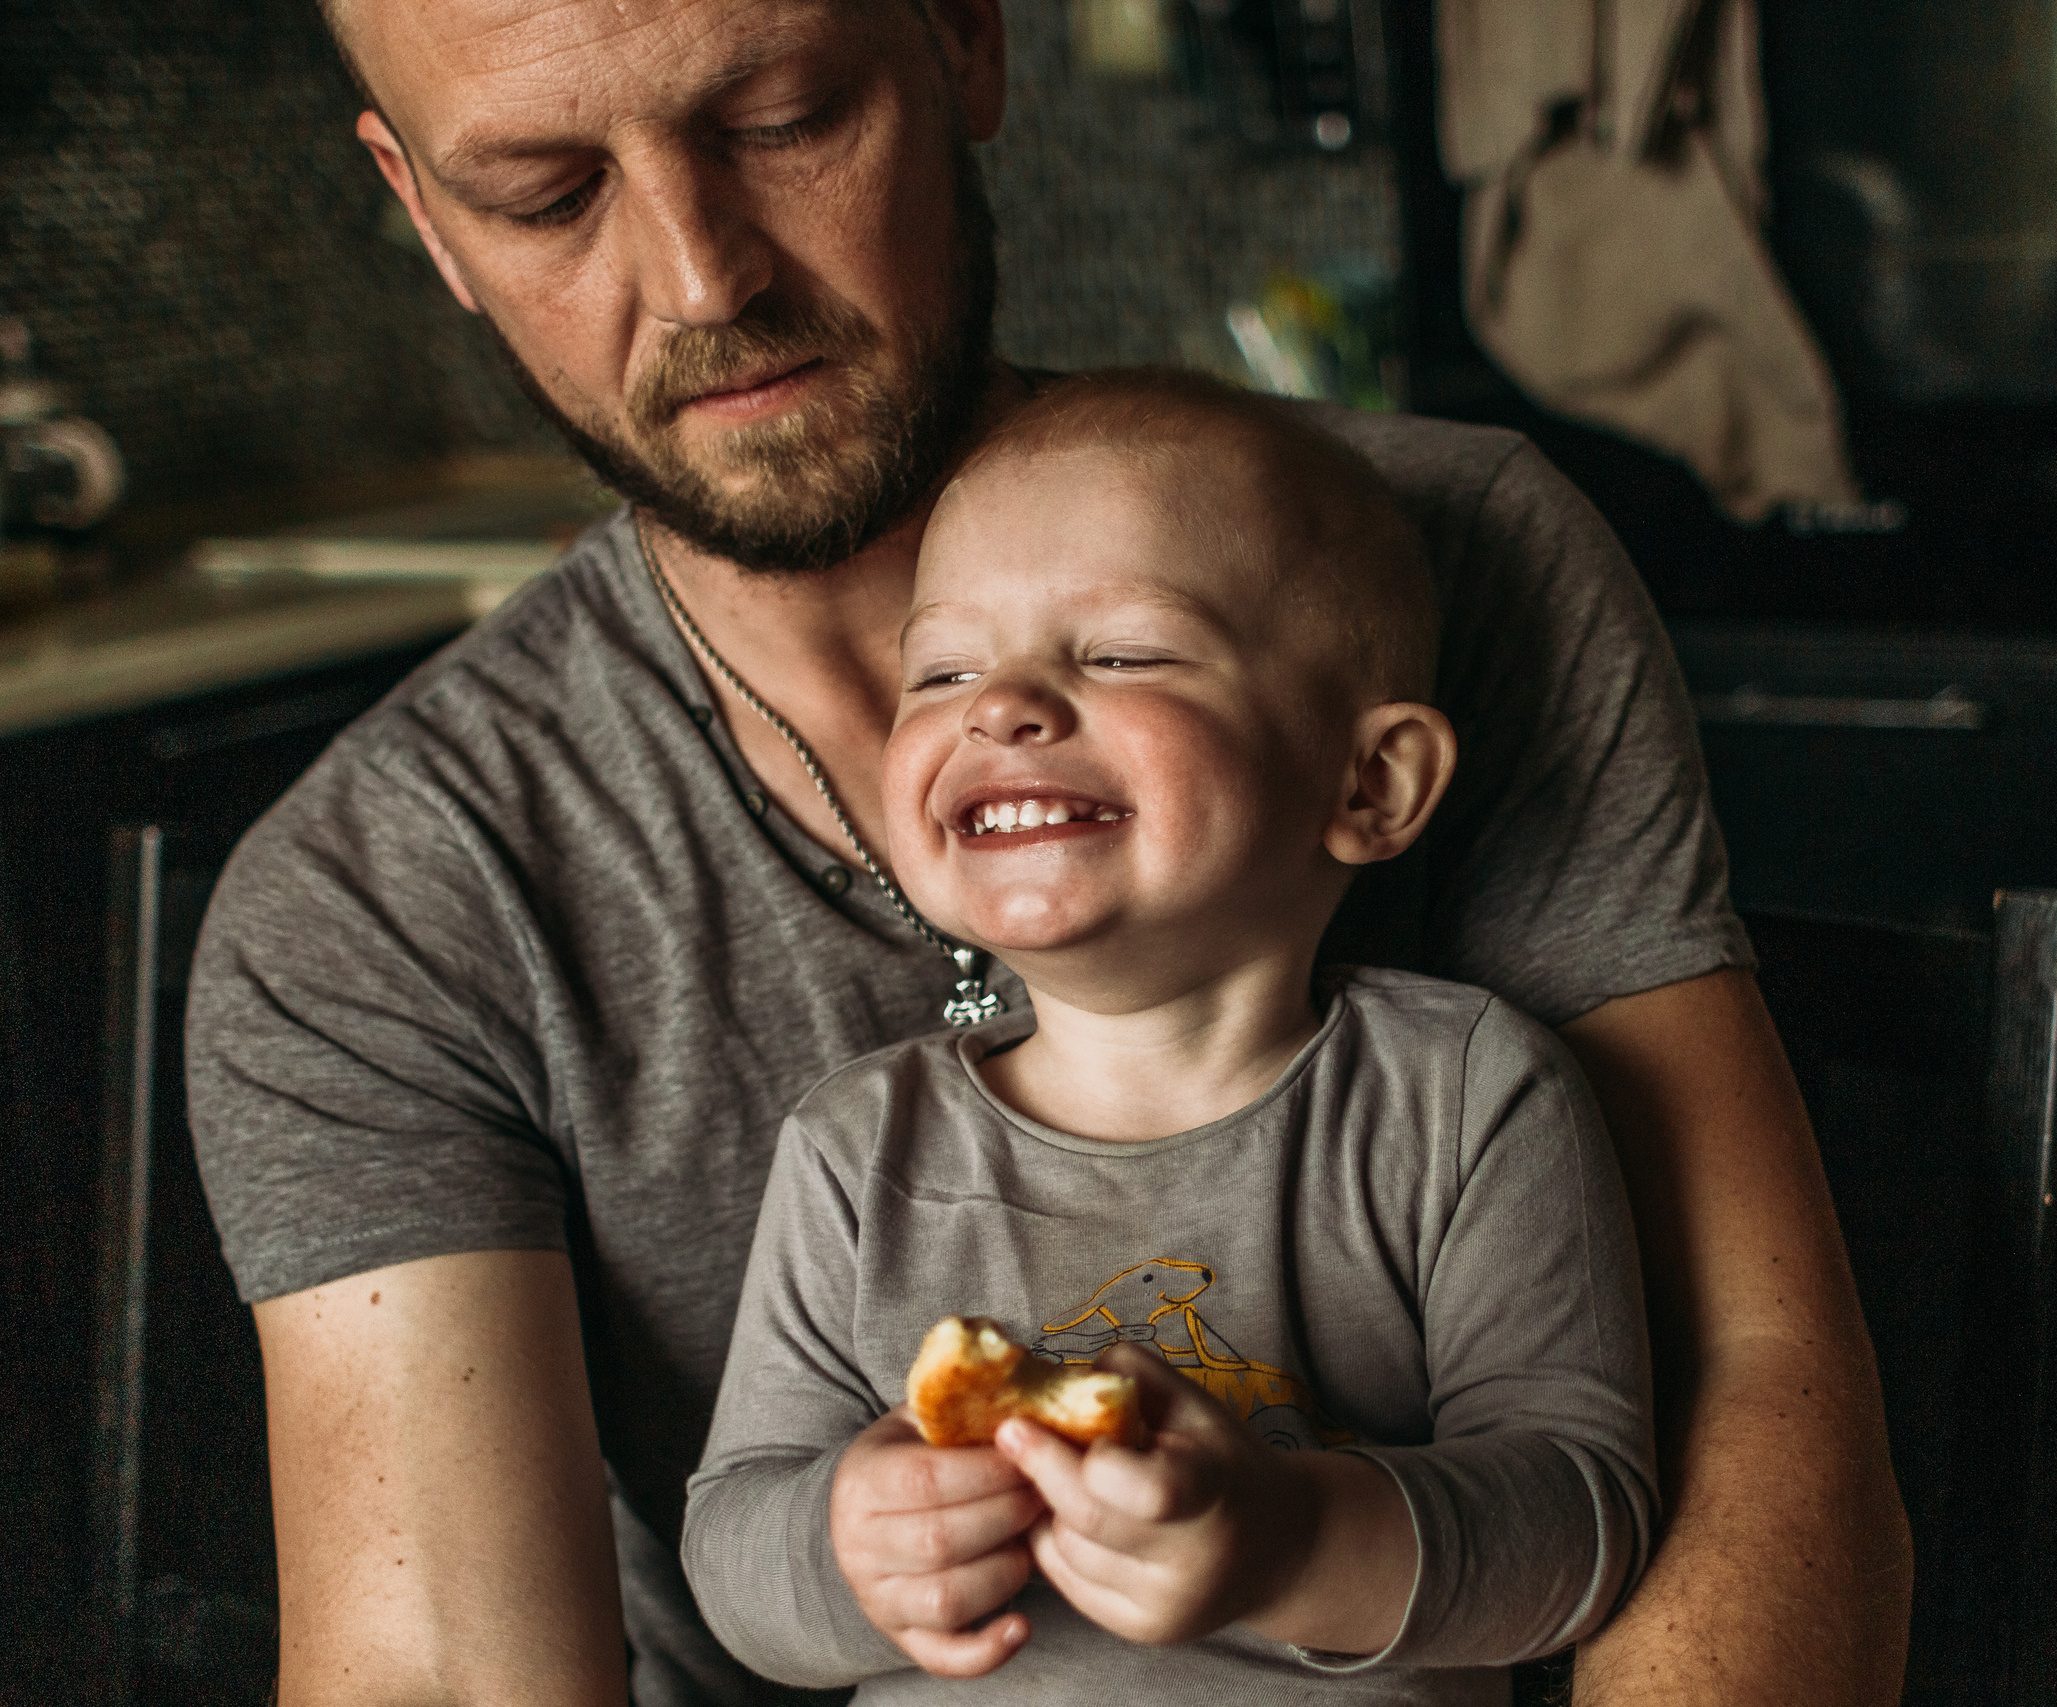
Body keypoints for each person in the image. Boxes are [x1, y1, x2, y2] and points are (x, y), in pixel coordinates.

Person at [188, 2, 1911, 1702]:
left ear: (963, 38)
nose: (705, 280)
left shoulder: (1433, 573)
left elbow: (1746, 1403)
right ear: (427, 215)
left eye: (783, 119)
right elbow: (440, 1674)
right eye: (548, 195)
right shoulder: (376, 902)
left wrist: (1295, 1535)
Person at [681, 370, 1657, 1703]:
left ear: (1371, 782)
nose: (1001, 706)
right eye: (944, 670)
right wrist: (847, 1548)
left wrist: (1285, 1541)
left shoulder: (1468, 1099)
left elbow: (1583, 1527)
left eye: (1126, 653)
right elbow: (734, 1550)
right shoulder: (857, 1149)